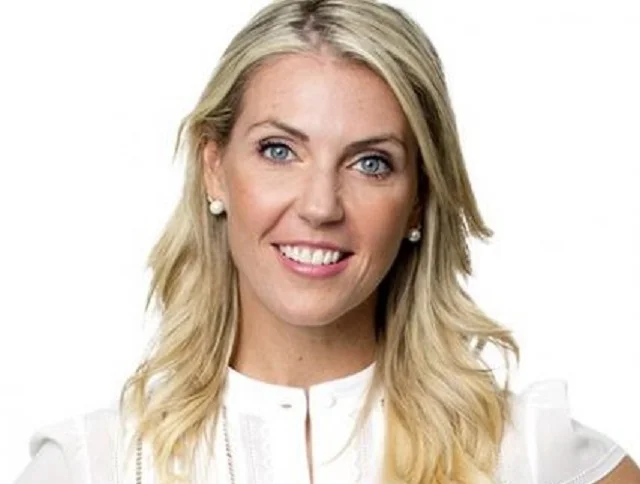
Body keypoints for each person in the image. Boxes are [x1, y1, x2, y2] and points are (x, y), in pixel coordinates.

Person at [14, 0, 640, 483]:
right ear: (214, 169)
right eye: (279, 150)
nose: (319, 207)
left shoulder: (533, 456)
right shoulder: (93, 465)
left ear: (417, 197)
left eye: (370, 163)